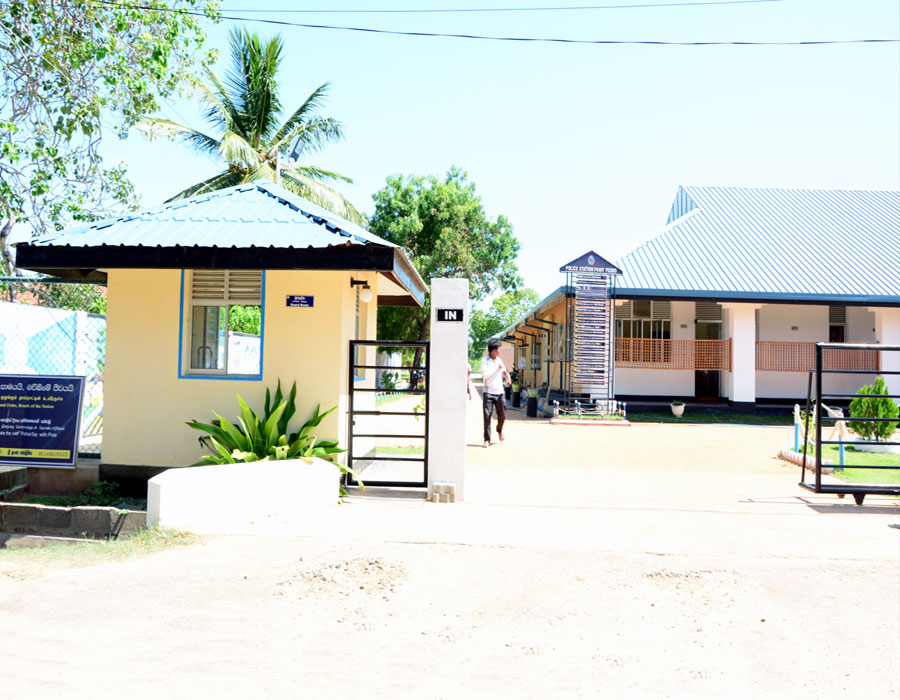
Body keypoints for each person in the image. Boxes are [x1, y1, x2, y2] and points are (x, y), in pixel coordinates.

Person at [480, 340, 510, 447]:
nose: (500, 351)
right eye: (498, 349)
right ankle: (487, 439)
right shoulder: (485, 361)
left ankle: (499, 430)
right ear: (493, 351)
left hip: (500, 392)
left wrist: (508, 378)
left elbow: (504, 371)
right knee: (487, 416)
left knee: (502, 415)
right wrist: (496, 368)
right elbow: (486, 375)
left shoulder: (499, 360)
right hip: (488, 392)